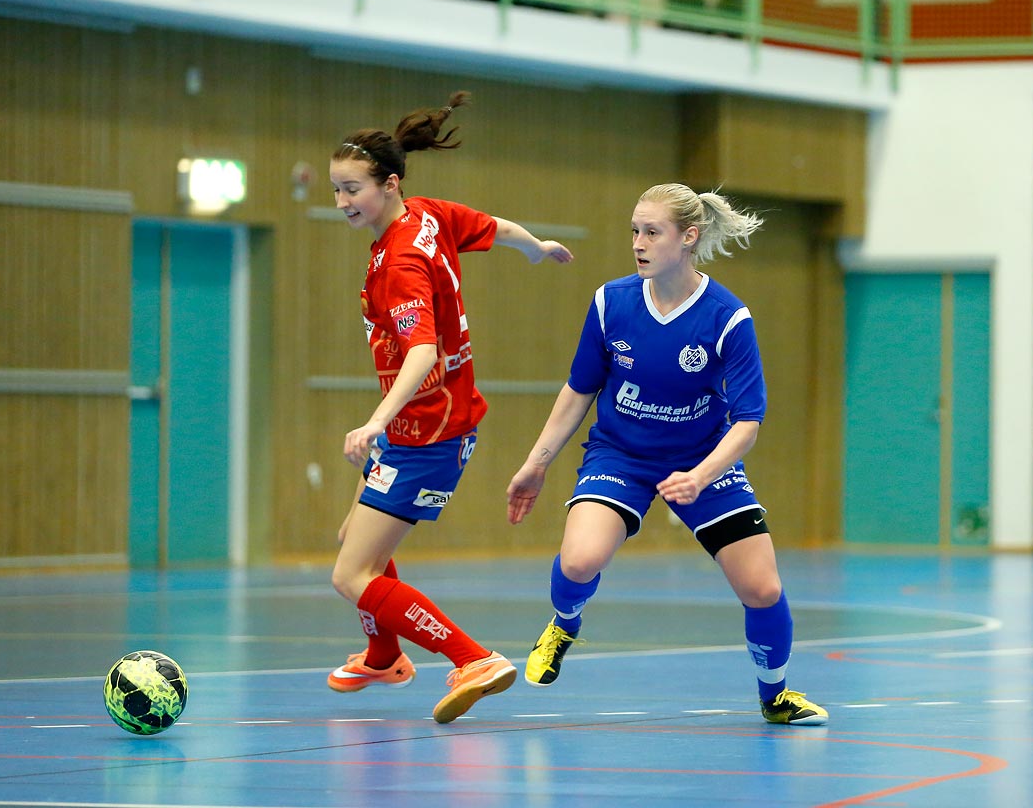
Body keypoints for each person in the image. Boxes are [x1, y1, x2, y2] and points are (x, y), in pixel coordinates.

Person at [505, 183, 829, 725]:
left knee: (763, 587)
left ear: (689, 237)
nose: (639, 242)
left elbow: (747, 424)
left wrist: (700, 476)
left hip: (701, 461)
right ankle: (564, 623)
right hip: (620, 456)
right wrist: (536, 462)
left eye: (652, 232)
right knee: (581, 559)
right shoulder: (612, 303)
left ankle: (776, 695)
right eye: (635, 230)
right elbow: (578, 391)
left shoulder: (728, 318)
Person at [326, 90, 575, 723]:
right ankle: (384, 657)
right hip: (429, 426)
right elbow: (495, 228)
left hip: (426, 435)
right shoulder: (429, 217)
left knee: (351, 575)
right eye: (336, 190)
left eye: (353, 189)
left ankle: (473, 658)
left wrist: (375, 422)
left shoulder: (400, 260)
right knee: (355, 544)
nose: (342, 202)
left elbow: (421, 350)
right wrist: (537, 248)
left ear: (389, 183)